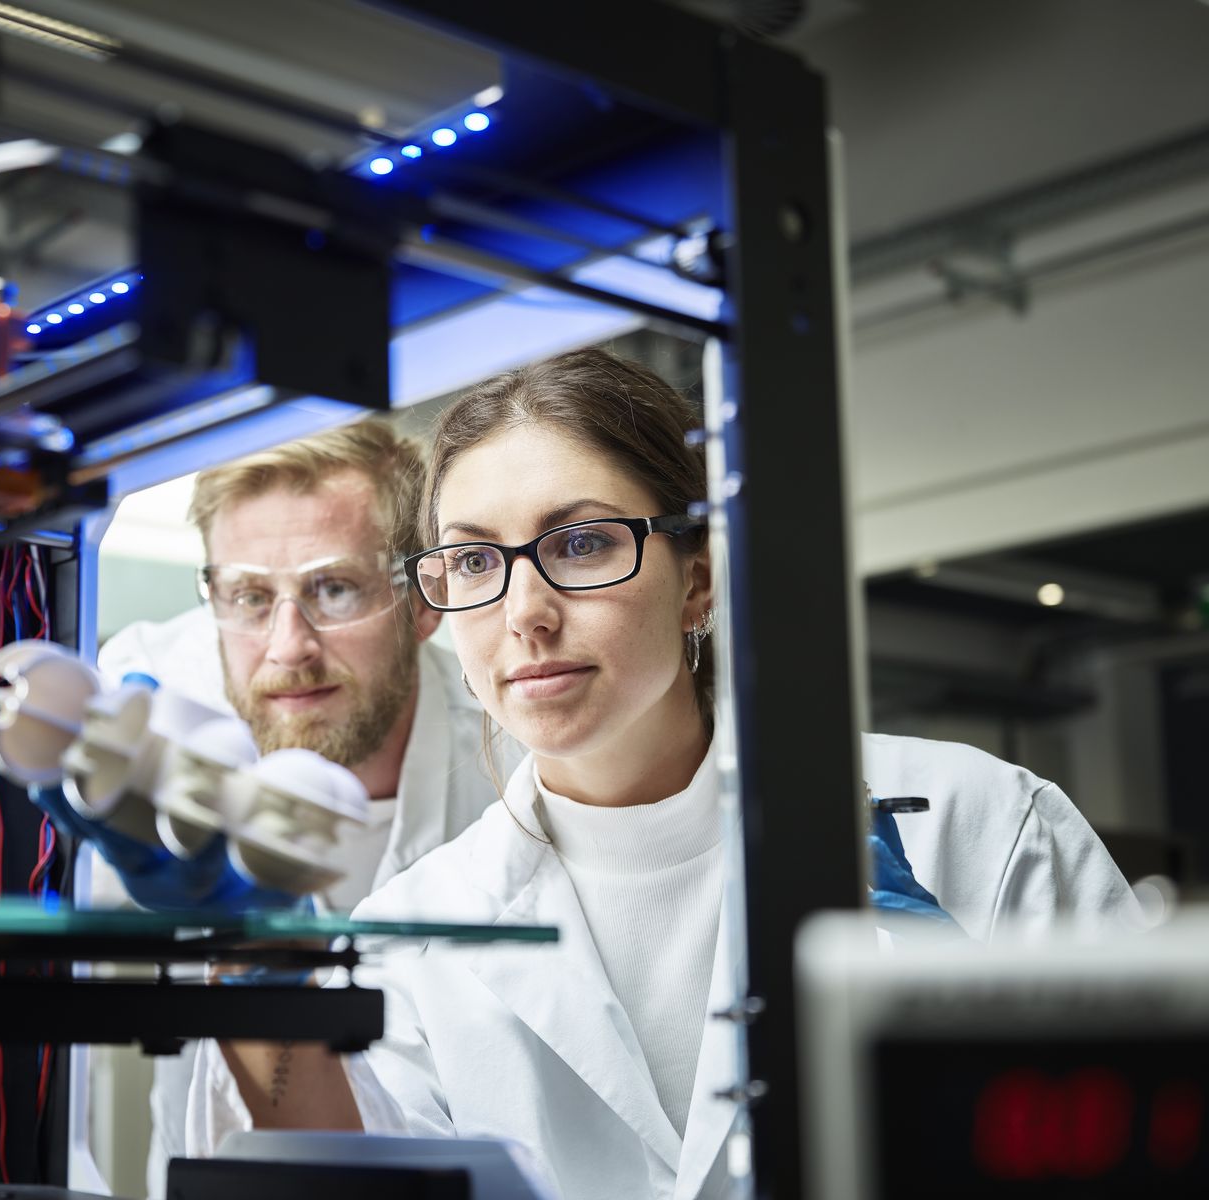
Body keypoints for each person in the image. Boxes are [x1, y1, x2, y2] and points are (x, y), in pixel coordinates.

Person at [185, 348, 1140, 1199]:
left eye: (582, 543)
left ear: (698, 580)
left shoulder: (978, 822)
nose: (525, 612)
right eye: (475, 560)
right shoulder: (411, 934)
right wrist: (251, 972)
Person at [97, 418, 520, 1197]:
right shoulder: (158, 708)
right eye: (250, 596)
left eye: (334, 588)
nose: (288, 647)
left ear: (423, 599)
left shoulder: (513, 751)